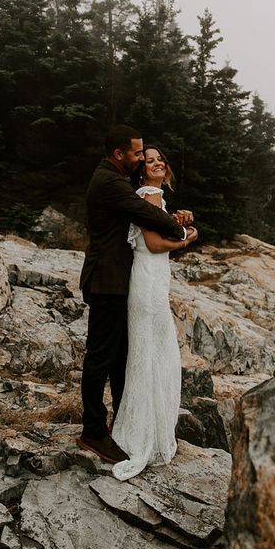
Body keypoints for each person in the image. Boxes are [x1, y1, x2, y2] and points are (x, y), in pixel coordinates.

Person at [78, 125, 195, 464]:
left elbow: (146, 217)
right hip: (107, 280)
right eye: (137, 152)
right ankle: (93, 431)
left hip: (120, 280)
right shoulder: (111, 182)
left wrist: (173, 217)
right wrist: (186, 231)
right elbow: (145, 214)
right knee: (101, 357)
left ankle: (124, 423)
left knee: (119, 357)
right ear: (119, 154)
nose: (142, 157)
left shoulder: (117, 180)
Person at [111, 145, 197, 481]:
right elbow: (153, 245)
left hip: (154, 280)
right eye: (149, 160)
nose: (158, 162)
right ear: (142, 170)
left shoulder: (156, 198)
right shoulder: (148, 195)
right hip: (147, 282)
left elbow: (160, 233)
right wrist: (186, 239)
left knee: (153, 354)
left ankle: (150, 431)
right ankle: (142, 437)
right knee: (151, 355)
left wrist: (178, 222)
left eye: (160, 158)